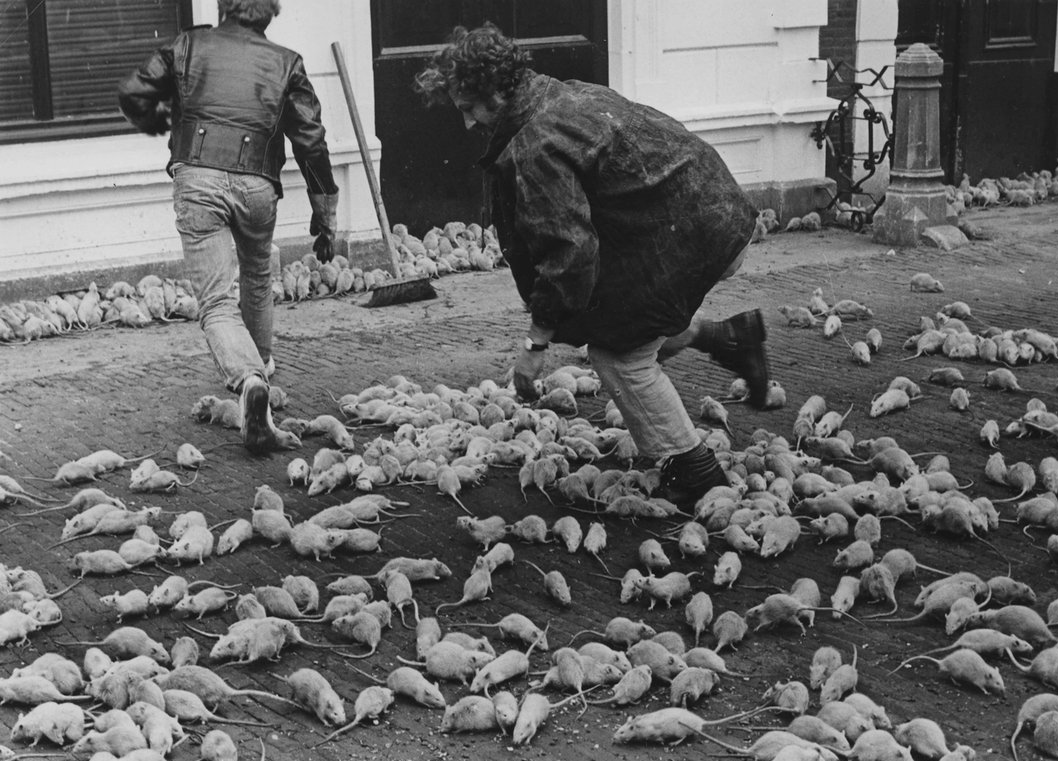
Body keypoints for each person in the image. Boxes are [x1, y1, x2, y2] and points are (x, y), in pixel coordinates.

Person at [414, 23, 771, 505]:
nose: (467, 123)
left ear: (497, 91)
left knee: (618, 355)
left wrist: (535, 342)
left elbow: (569, 252)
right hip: (713, 212)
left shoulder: (537, 142)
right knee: (618, 318)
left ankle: (695, 469)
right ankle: (730, 338)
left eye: (468, 108)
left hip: (690, 235)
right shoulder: (559, 94)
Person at [117, 0, 337, 453]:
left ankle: (250, 382)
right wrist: (324, 210)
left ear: (223, 7)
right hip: (258, 184)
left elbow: (134, 92)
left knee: (216, 300)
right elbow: (310, 139)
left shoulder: (187, 45)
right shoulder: (287, 63)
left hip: (197, 178)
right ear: (270, 12)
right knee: (257, 277)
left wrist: (158, 123)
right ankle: (262, 381)